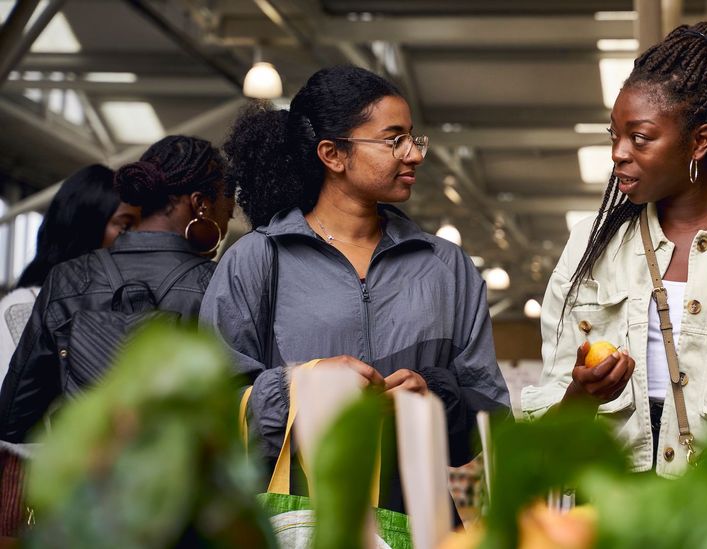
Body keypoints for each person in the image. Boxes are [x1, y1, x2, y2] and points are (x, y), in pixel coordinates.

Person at [521, 22, 707, 477]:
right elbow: (544, 420)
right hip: (611, 512)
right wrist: (580, 397)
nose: (619, 153)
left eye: (640, 138)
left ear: (699, 141)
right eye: (614, 136)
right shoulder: (591, 244)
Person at [201, 66, 510, 512]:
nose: (415, 154)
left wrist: (433, 393)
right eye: (394, 139)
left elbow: (491, 418)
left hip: (415, 527)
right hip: (299, 525)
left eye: (413, 138)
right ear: (333, 154)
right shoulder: (257, 260)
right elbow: (212, 418)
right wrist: (302, 389)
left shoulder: (446, 268)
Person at [0, 135, 235, 441]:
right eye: (225, 213)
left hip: (82, 480)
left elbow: (12, 418)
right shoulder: (220, 286)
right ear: (201, 205)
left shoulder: (67, 279)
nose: (225, 227)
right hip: (182, 484)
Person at [0, 165, 140, 384]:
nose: (135, 239)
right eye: (125, 226)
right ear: (87, 226)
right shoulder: (23, 308)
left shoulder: (128, 306)